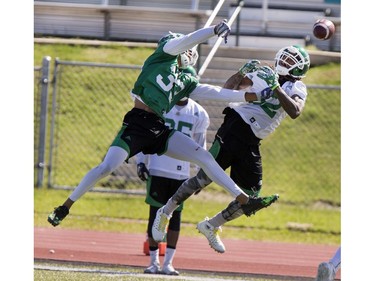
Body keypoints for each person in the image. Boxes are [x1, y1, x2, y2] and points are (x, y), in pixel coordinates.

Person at [47, 19, 278, 229]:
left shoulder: (186, 79)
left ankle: (244, 200)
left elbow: (216, 93)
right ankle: (65, 206)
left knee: (204, 157)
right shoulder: (163, 54)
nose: (187, 50)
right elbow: (187, 40)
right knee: (106, 167)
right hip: (137, 124)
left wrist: (255, 96)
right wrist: (213, 30)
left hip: (159, 127)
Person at [152, 45, 310, 254]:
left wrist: (276, 88)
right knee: (204, 178)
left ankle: (211, 225)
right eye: (285, 58)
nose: (285, 63)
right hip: (235, 126)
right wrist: (241, 73)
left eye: (291, 61)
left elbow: (295, 111)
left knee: (252, 196)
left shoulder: (297, 88)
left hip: (252, 140)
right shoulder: (264, 72)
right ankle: (166, 210)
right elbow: (227, 91)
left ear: (298, 69)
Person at [137, 90, 210, 275]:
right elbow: (145, 132)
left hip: (181, 174)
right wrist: (140, 161)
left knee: (175, 217)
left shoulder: (199, 112)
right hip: (158, 167)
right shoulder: (161, 105)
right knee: (155, 216)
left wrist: (201, 172)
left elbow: (201, 146)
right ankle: (153, 262)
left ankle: (168, 263)